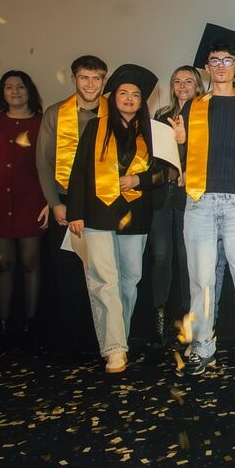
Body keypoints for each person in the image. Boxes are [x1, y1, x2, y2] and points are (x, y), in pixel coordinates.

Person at [171, 28, 235, 375]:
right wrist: (180, 143)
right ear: (207, 66)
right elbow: (181, 164)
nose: (221, 66)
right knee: (202, 280)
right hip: (199, 200)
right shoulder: (193, 107)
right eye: (214, 61)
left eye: (227, 61)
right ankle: (202, 346)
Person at [66, 65, 166, 373]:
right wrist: (75, 212)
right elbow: (79, 171)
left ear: (142, 101)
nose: (129, 98)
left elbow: (168, 173)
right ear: (113, 97)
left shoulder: (153, 131)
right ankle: (114, 349)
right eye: (123, 93)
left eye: (135, 94)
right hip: (98, 213)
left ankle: (118, 337)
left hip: (136, 215)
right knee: (104, 281)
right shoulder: (95, 128)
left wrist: (139, 180)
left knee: (130, 281)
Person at [36, 54, 108, 349]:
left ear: (103, 81)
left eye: (96, 78)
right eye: (84, 78)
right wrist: (54, 203)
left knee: (102, 272)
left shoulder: (113, 111)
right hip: (65, 201)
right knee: (68, 270)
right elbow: (43, 162)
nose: (90, 84)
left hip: (103, 202)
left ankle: (101, 339)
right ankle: (72, 340)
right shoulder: (56, 113)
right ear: (74, 79)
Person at [0, 70, 47, 341]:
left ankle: (31, 325)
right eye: (8, 87)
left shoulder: (42, 122)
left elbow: (50, 164)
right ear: (2, 93)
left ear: (29, 90)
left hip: (31, 199)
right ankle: (3, 325)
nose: (15, 92)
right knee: (3, 264)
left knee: (31, 262)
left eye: (20, 87)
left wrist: (49, 200)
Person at [146, 66, 203, 344]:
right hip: (161, 193)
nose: (182, 86)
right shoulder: (160, 116)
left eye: (188, 81)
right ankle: (160, 313)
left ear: (198, 86)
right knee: (160, 256)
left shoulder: (205, 114)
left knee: (186, 257)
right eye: (177, 81)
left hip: (188, 195)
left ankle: (189, 315)